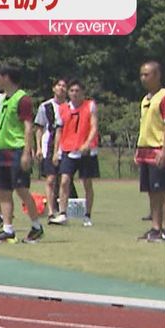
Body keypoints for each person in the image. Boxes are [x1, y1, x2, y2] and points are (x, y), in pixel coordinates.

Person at [0, 64, 45, 244]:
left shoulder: (22, 99)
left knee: (21, 189)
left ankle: (36, 226)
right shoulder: (4, 99)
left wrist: (27, 152)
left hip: (17, 150)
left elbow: (28, 128)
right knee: (3, 191)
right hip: (3, 151)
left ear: (6, 77)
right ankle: (7, 229)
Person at [50, 80, 100, 227]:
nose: (74, 93)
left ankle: (87, 215)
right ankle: (63, 214)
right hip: (68, 149)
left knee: (87, 183)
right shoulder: (63, 109)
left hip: (86, 151)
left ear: (83, 92)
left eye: (77, 91)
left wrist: (87, 143)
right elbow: (59, 131)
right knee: (64, 181)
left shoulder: (90, 106)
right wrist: (55, 152)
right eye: (71, 91)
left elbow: (94, 127)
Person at [135, 60, 165, 241]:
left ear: (157, 75)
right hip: (145, 150)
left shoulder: (164, 97)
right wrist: (138, 149)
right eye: (141, 75)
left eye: (146, 75)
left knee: (163, 191)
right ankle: (155, 228)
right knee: (152, 192)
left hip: (158, 149)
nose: (143, 78)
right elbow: (144, 126)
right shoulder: (146, 99)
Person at [35, 78, 70, 218]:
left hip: (66, 145)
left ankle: (62, 210)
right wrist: (38, 147)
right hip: (48, 145)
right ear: (53, 88)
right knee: (50, 179)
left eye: (64, 86)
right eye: (59, 85)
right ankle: (50, 211)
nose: (61, 88)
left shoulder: (70, 107)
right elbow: (38, 127)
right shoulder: (45, 106)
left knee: (64, 180)